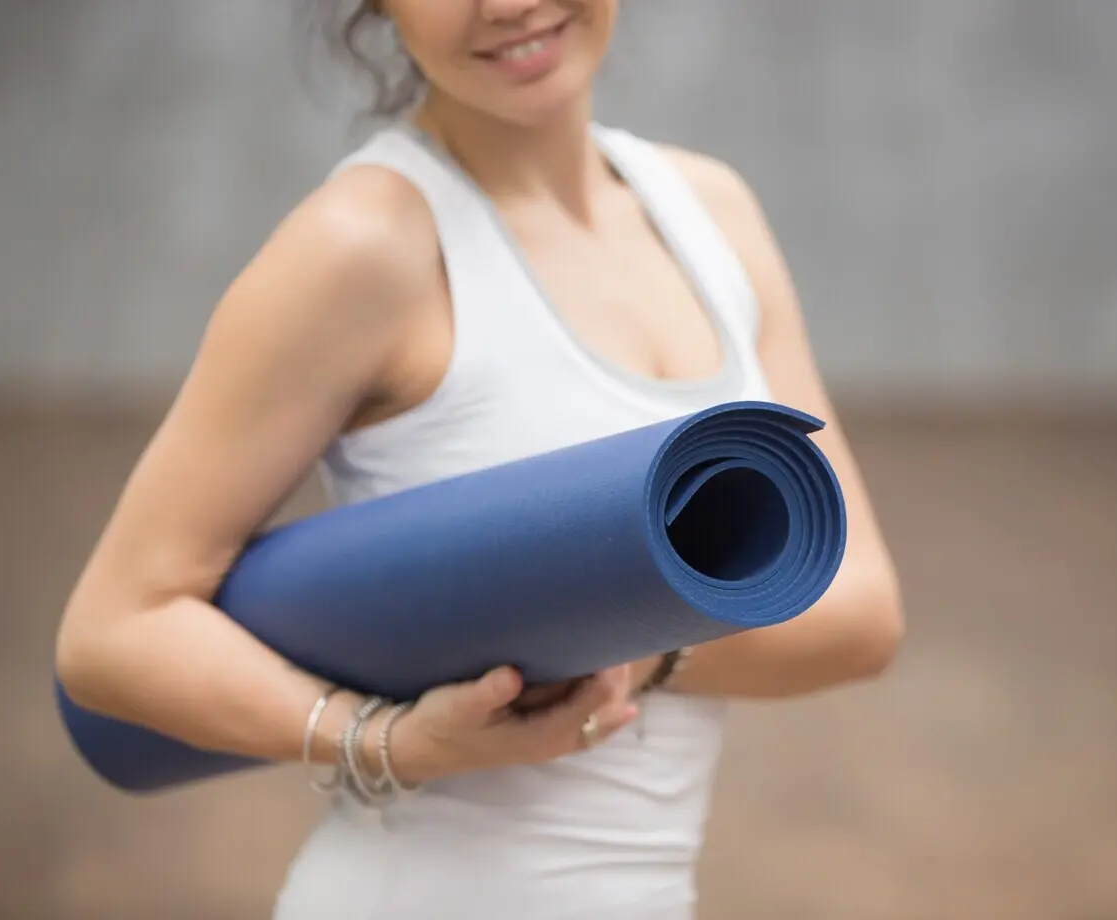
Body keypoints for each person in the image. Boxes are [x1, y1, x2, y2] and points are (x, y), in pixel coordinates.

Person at [53, 1, 904, 917]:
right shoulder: (363, 245)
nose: (507, 4)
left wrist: (634, 645)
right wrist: (380, 742)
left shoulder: (710, 211)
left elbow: (859, 611)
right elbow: (112, 632)